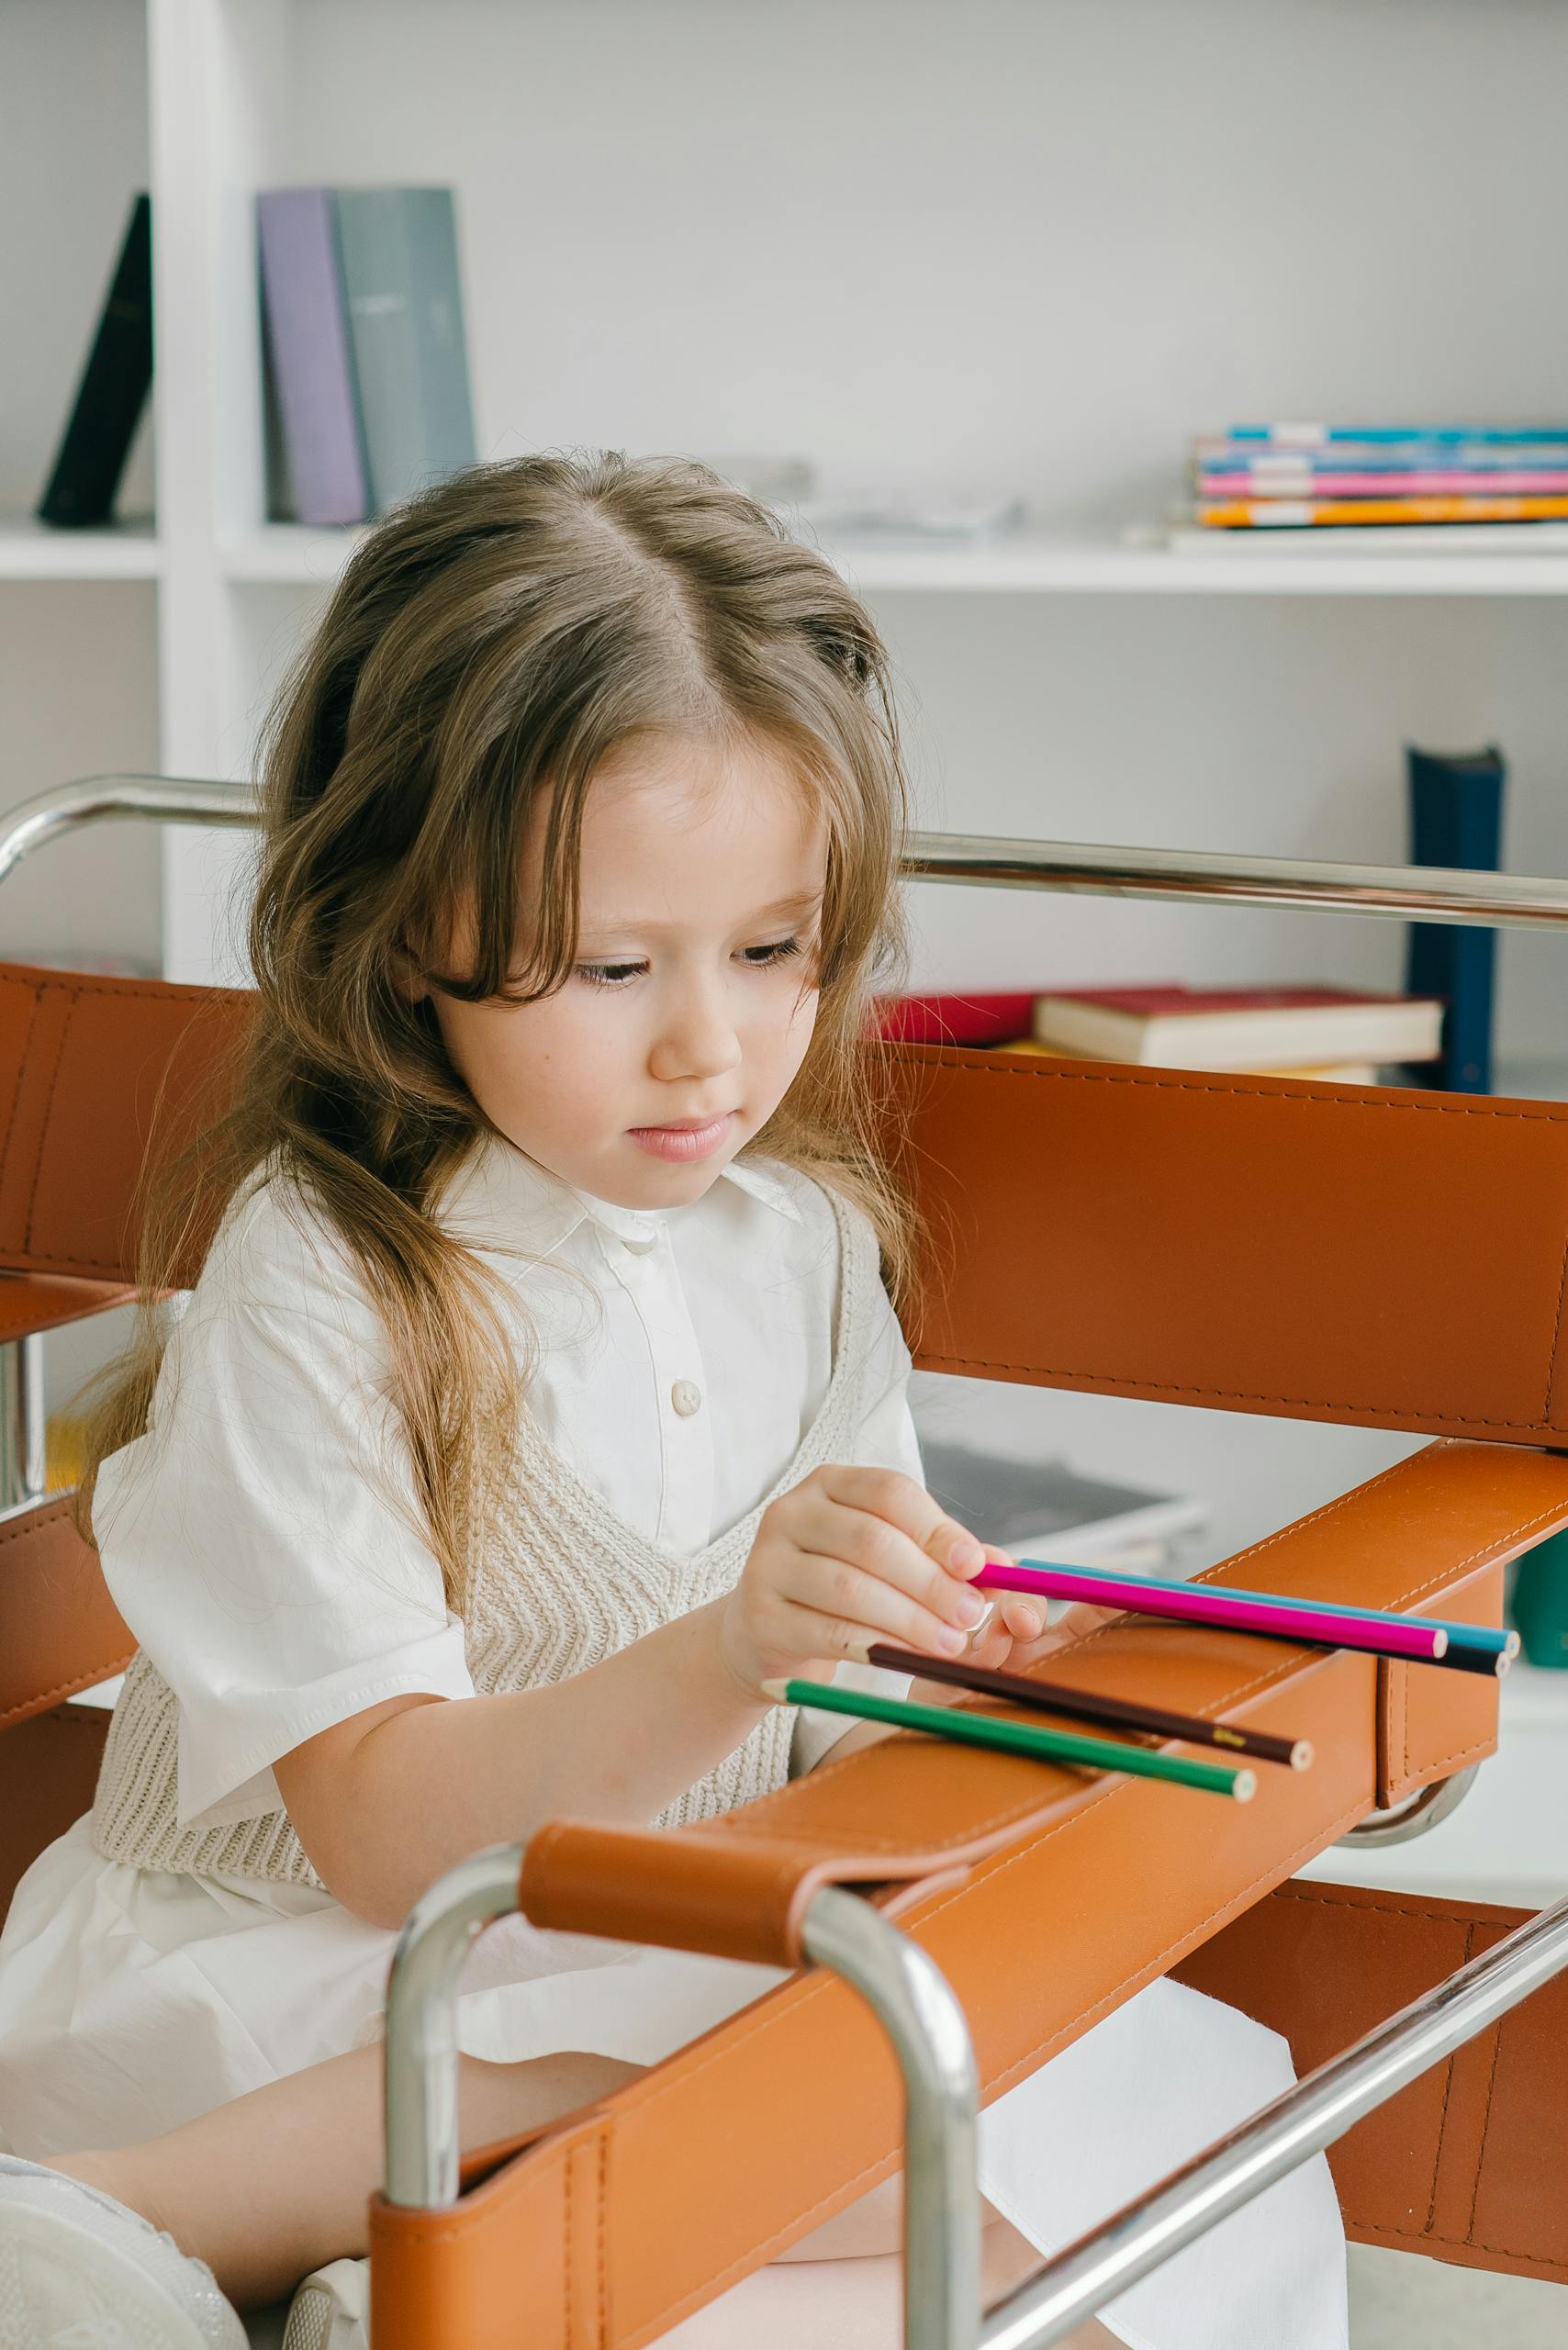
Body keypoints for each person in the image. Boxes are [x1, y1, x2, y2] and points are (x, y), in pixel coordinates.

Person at [0, 453, 1347, 2350]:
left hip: (642, 1940)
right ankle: (106, 2223)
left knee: (1198, 2104)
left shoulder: (794, 1244)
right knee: (887, 2121)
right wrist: (734, 1643)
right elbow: (393, 1839)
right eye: (615, 963)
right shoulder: (335, 1268)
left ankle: (389, 2290)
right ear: (404, 932)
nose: (709, 1041)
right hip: (303, 1982)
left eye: (773, 947)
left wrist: (938, 1645)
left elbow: (828, 1720)